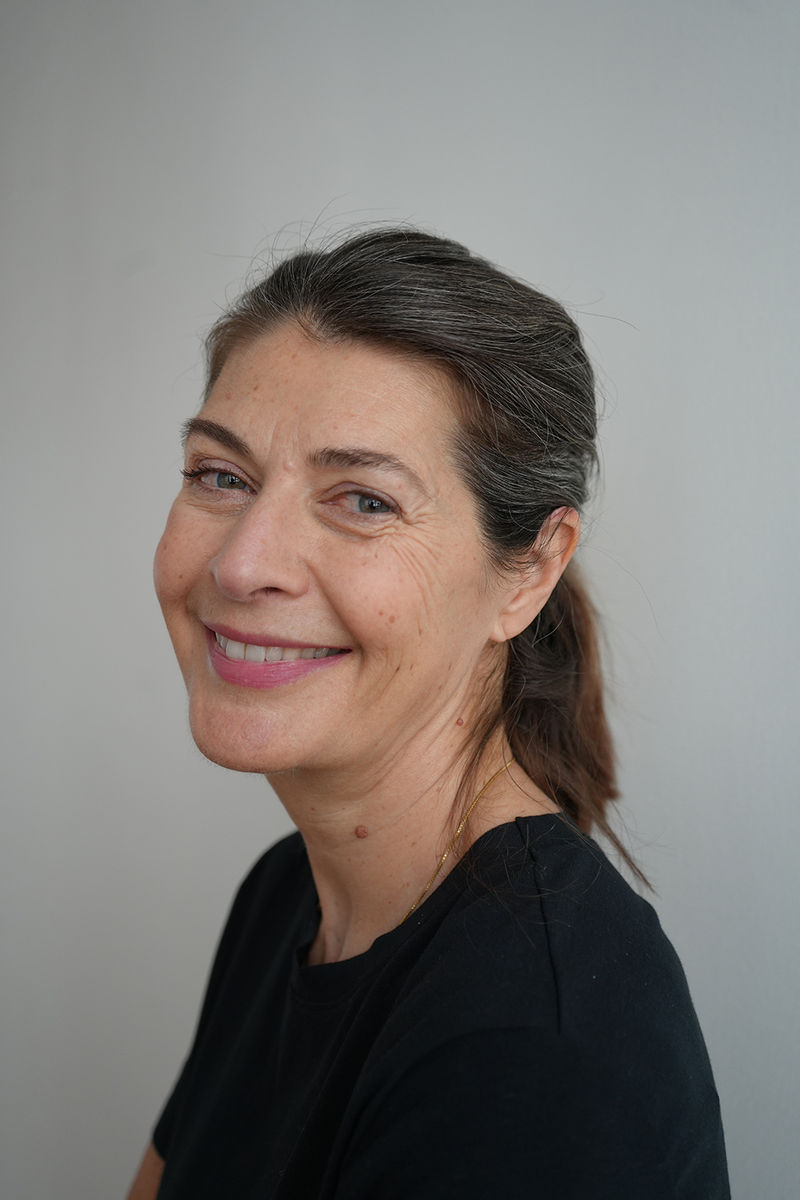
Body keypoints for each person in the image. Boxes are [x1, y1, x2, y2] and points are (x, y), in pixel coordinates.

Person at [127, 228, 730, 1199]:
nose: (242, 565)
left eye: (363, 501)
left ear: (528, 573)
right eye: (221, 476)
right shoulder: (287, 895)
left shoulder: (532, 1052)